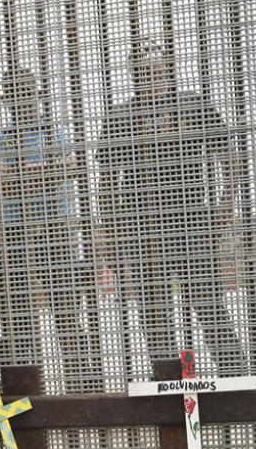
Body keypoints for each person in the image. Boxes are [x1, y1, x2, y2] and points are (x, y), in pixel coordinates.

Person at [97, 42, 246, 376]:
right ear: (133, 75)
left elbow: (231, 159)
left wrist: (224, 209)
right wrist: (110, 232)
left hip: (192, 221)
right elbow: (106, 182)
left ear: (169, 69)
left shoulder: (193, 104)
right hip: (141, 227)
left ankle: (236, 377)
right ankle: (167, 382)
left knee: (208, 303)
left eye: (158, 68)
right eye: (144, 69)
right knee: (155, 311)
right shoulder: (120, 116)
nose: (152, 74)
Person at [0, 67, 100, 390]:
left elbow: (72, 167)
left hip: (55, 231)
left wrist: (25, 172)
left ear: (39, 94)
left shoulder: (57, 132)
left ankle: (83, 387)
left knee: (66, 311)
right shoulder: (2, 138)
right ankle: (19, 391)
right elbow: (3, 184)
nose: (22, 99)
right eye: (15, 93)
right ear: (4, 99)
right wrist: (45, 172)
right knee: (17, 316)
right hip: (16, 234)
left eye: (27, 91)